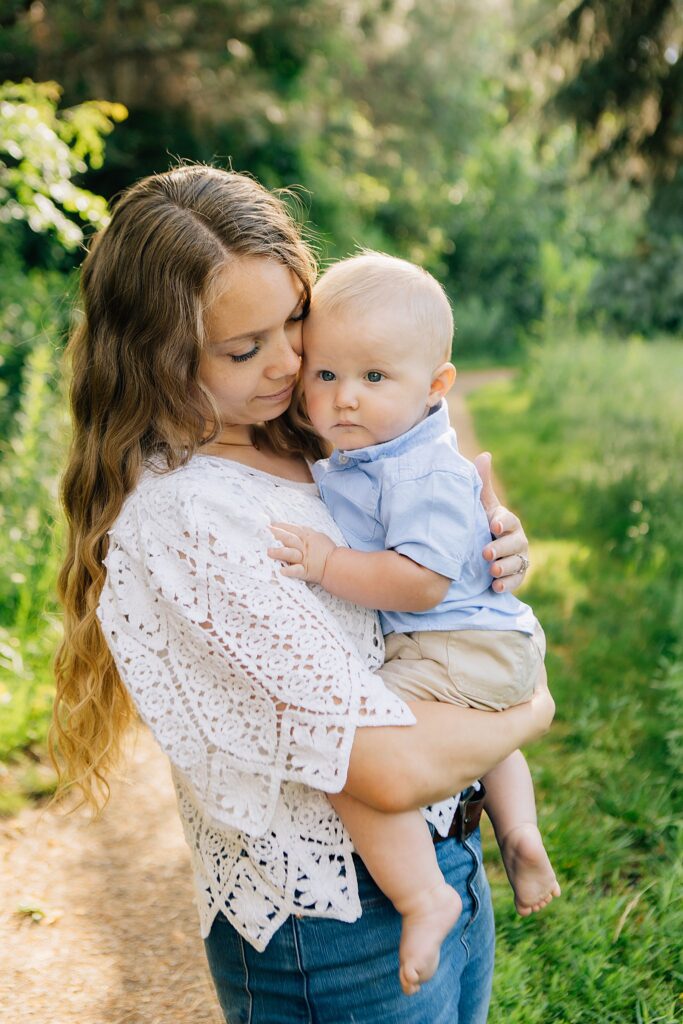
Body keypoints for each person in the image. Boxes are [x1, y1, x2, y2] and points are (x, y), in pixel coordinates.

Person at [52, 164, 555, 1024]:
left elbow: (427, 537)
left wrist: (490, 553)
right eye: (245, 349)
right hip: (334, 928)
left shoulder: (322, 438)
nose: (291, 363)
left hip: (450, 859)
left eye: (294, 321)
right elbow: (385, 769)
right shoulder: (186, 517)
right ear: (154, 359)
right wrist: (533, 703)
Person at [268, 251, 561, 996]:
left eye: (373, 378)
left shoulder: (417, 470)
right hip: (489, 644)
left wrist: (330, 564)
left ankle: (420, 895)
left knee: (351, 738)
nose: (343, 400)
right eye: (325, 374)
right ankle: (520, 834)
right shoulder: (382, 452)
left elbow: (422, 583)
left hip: (456, 638)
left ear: (435, 387)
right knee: (482, 729)